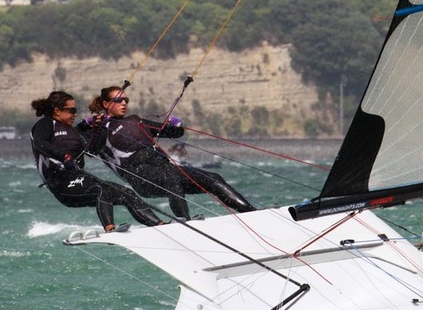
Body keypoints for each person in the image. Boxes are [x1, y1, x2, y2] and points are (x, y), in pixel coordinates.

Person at [81, 85, 255, 220]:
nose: (124, 103)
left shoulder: (136, 120)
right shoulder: (100, 129)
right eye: (119, 100)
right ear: (105, 104)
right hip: (139, 176)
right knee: (171, 180)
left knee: (214, 179)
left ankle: (251, 213)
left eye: (126, 99)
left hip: (164, 166)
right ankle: (185, 221)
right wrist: (97, 126)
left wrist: (176, 125)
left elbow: (172, 133)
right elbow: (91, 151)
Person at [30, 90, 167, 232]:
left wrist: (97, 129)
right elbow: (40, 143)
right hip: (61, 184)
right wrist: (64, 156)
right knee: (102, 189)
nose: (75, 114)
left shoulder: (73, 132)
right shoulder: (46, 124)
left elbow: (92, 150)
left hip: (80, 179)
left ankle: (158, 225)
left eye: (76, 111)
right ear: (57, 111)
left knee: (127, 193)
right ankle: (109, 229)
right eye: (72, 110)